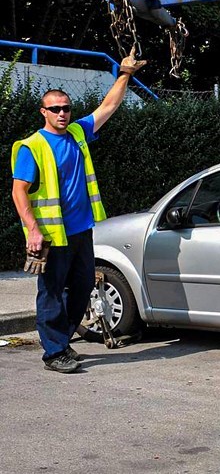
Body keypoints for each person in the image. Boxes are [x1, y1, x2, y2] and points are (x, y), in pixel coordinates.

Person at [10, 52, 147, 373]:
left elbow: (108, 107)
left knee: (83, 287)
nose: (62, 113)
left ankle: (63, 341)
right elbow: (18, 191)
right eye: (55, 109)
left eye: (66, 108)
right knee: (51, 294)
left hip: (81, 230)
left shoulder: (76, 133)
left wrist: (124, 73)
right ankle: (54, 352)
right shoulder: (33, 146)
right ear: (44, 112)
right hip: (50, 235)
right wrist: (32, 229)